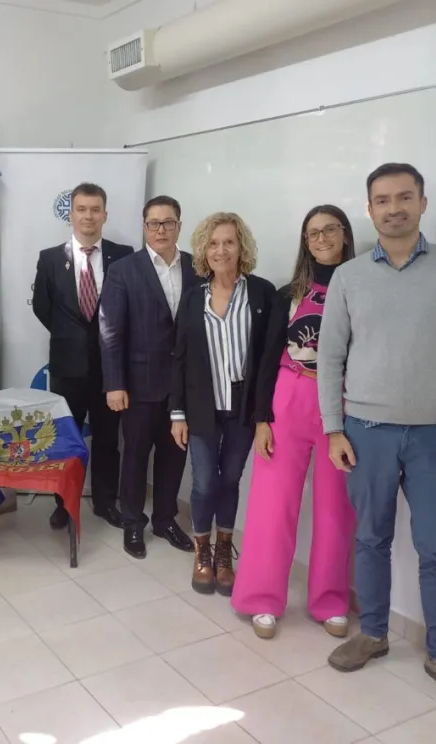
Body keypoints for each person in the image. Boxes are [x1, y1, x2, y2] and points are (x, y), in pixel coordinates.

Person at [318, 163, 436, 714]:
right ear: (369, 210)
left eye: (404, 197)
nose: (393, 208)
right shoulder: (348, 276)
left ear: (422, 202)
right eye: (382, 200)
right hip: (365, 433)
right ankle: (373, 633)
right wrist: (333, 428)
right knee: (370, 539)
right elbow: (330, 358)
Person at [231, 206, 356, 636]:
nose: (321, 238)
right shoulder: (289, 293)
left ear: (345, 234)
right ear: (305, 241)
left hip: (341, 405)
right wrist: (262, 418)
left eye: (329, 230)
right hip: (290, 396)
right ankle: (262, 598)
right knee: (271, 505)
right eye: (312, 233)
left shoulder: (362, 287)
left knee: (336, 509)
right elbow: (265, 360)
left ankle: (330, 601)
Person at [169, 212, 276, 595]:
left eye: (228, 242)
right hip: (201, 406)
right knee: (203, 483)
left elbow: (268, 359)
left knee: (230, 479)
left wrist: (265, 414)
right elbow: (178, 357)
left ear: (241, 246)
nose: (221, 250)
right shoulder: (193, 296)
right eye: (213, 243)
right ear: (204, 250)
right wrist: (176, 412)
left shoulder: (263, 294)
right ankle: (202, 552)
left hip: (243, 408)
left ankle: (225, 553)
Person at [100, 195, 198, 559]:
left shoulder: (196, 268)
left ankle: (165, 520)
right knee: (136, 457)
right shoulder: (124, 270)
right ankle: (132, 523)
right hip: (138, 386)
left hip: (183, 388)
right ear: (144, 226)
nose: (161, 229)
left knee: (175, 457)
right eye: (154, 223)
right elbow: (110, 333)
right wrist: (114, 383)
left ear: (179, 226)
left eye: (168, 222)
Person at [32, 182, 131, 531]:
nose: (88, 216)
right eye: (81, 209)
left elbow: (128, 308)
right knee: (68, 440)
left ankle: (105, 502)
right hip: (67, 367)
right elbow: (43, 308)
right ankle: (64, 503)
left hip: (111, 370)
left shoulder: (124, 255)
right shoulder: (49, 258)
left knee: (107, 440)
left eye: (95, 209)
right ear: (71, 213)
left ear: (105, 214)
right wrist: (70, 337)